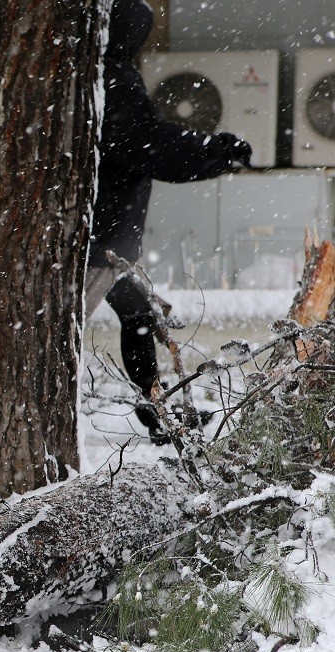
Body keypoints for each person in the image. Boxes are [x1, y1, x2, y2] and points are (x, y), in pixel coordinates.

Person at [86, 0, 253, 443]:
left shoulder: (98, 71)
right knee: (61, 334)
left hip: (103, 233)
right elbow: (147, 144)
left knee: (138, 313)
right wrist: (215, 151)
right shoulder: (111, 75)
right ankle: (152, 409)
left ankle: (156, 409)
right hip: (97, 237)